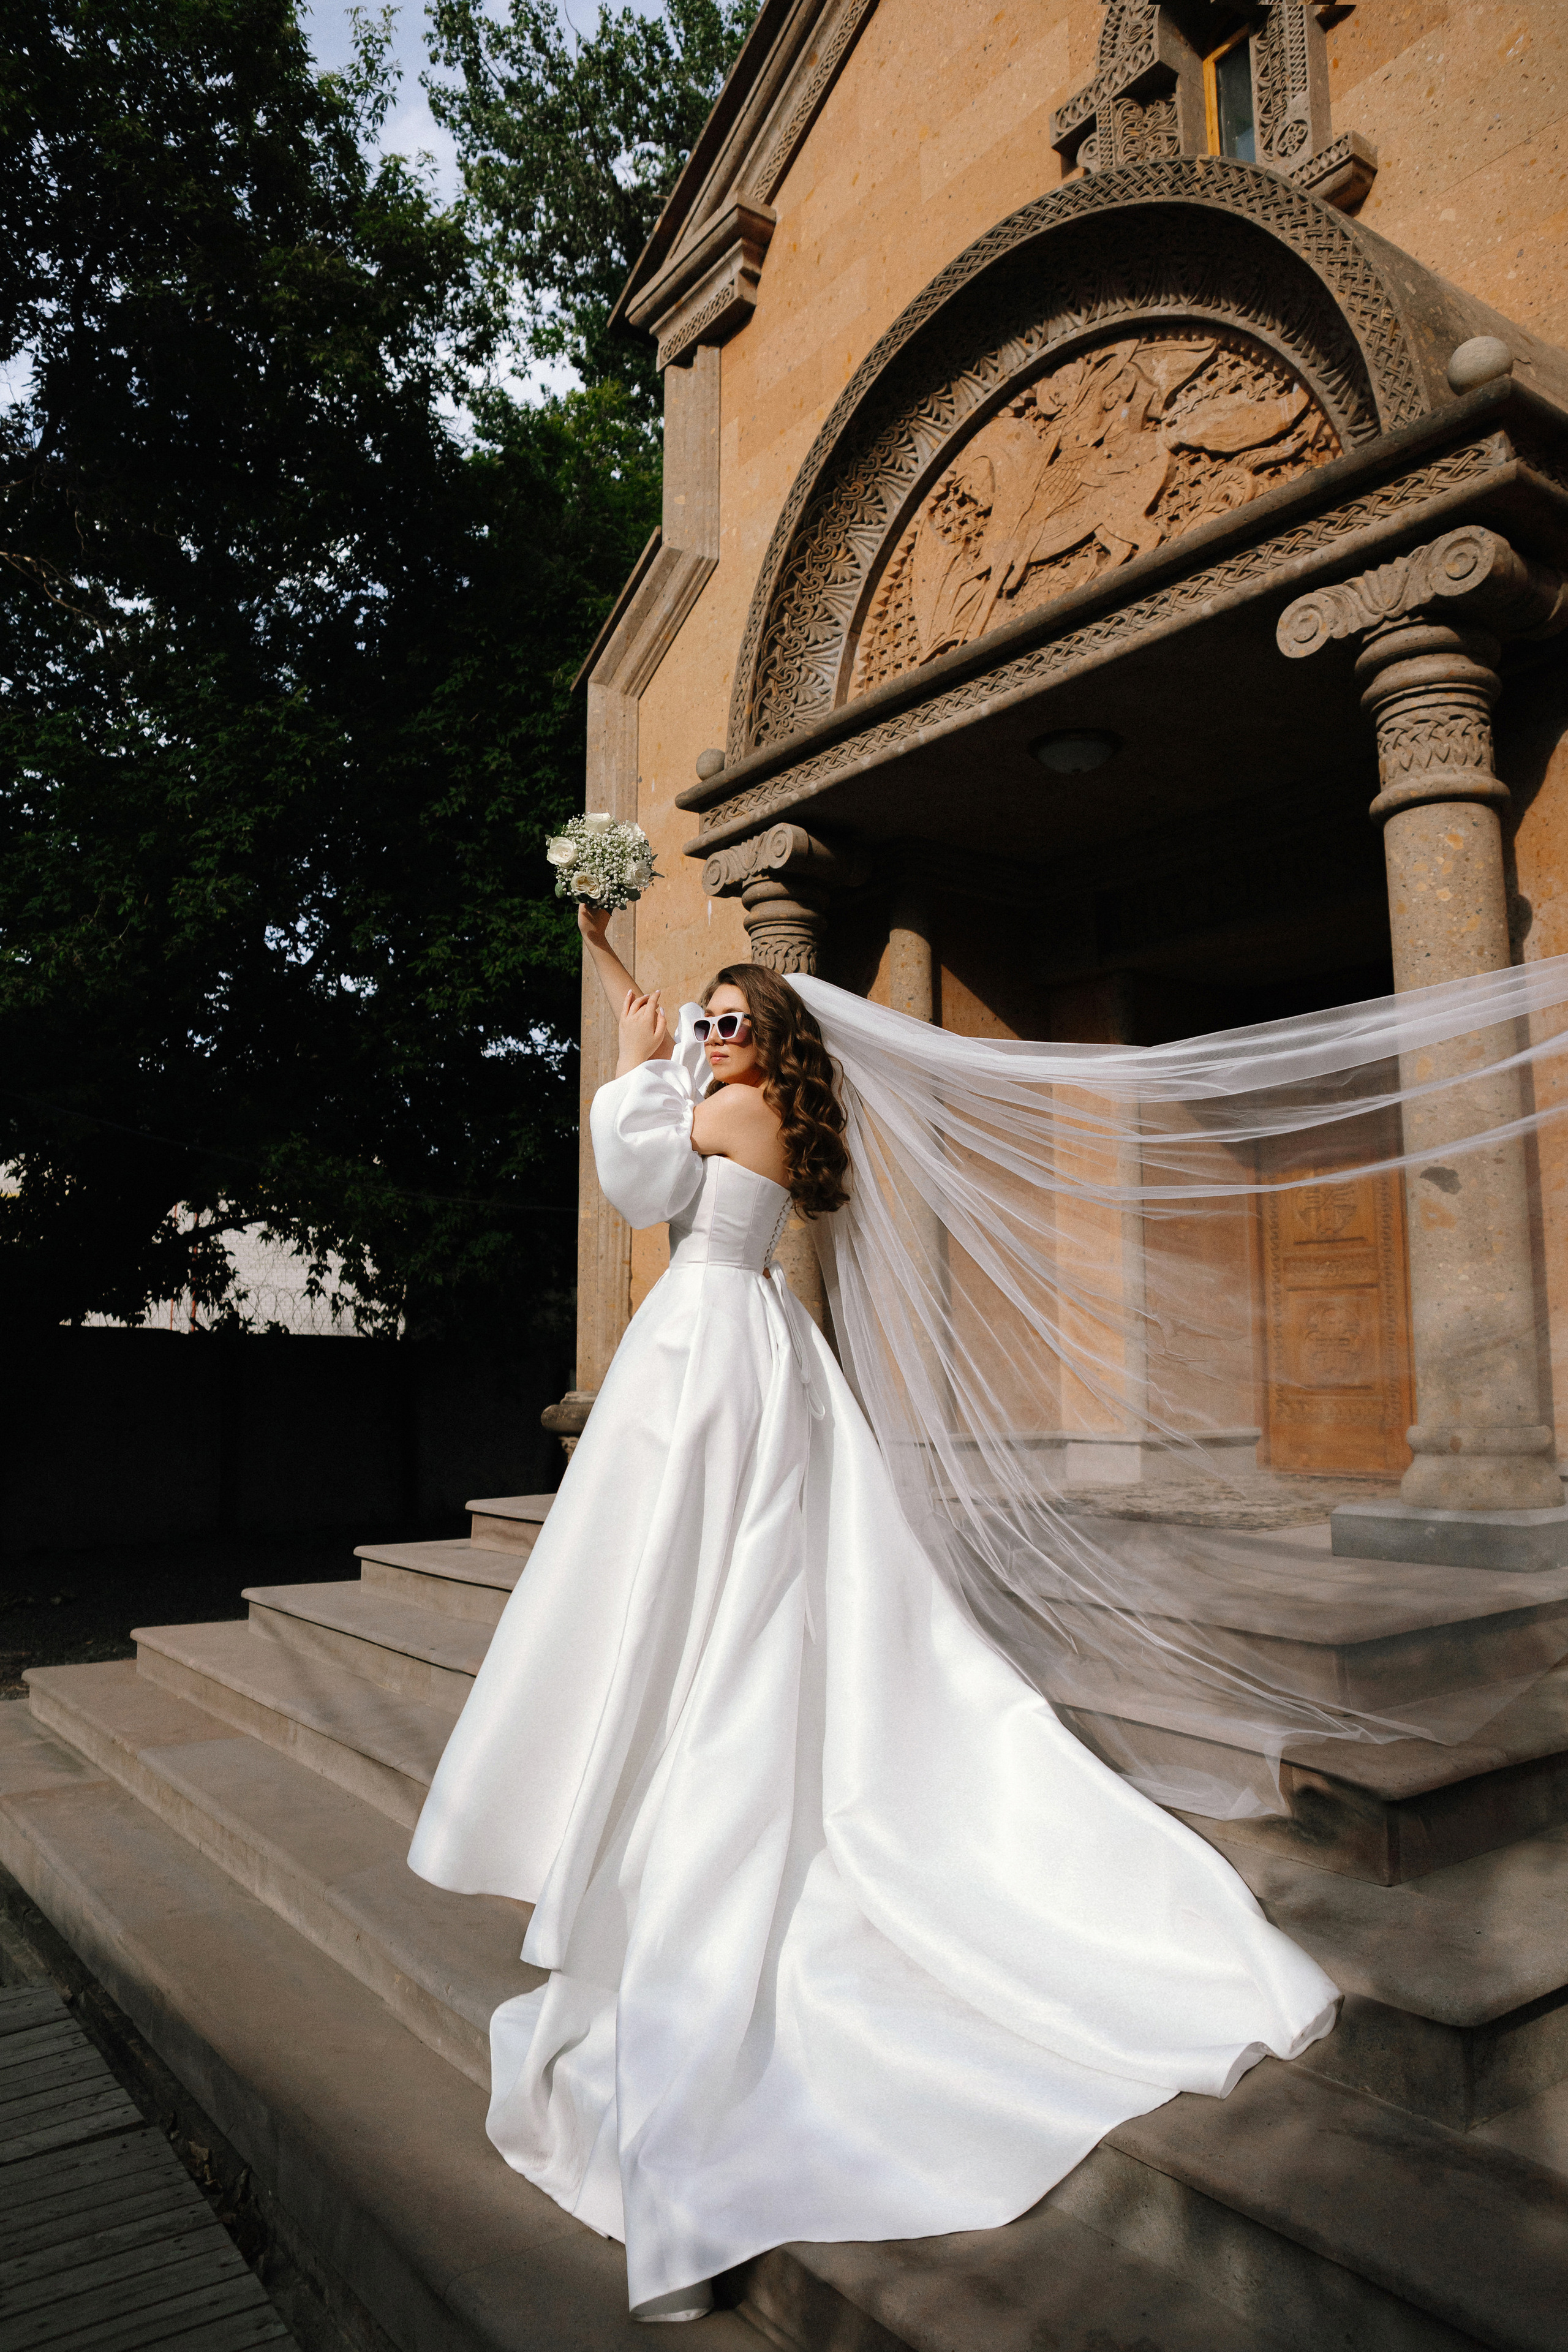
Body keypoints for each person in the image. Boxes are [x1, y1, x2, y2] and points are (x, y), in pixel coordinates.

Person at [407, 903, 1340, 2324]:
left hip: (710, 1365)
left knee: (710, 1600)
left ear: (772, 1045)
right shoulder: (736, 1098)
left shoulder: (735, 1118)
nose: (709, 1033)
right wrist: (614, 969)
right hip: (712, 1357)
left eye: (732, 1020)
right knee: (688, 1595)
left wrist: (638, 1060)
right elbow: (657, 1098)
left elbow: (625, 1170)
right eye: (707, 1018)